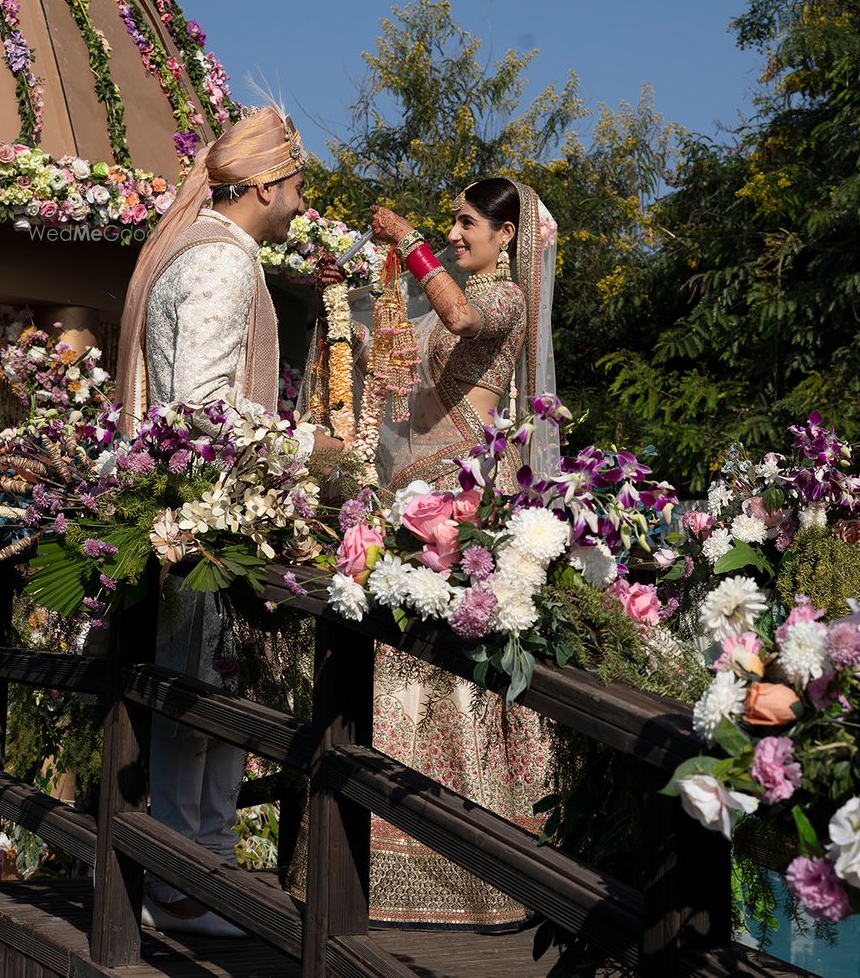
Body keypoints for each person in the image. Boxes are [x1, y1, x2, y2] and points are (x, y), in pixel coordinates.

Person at [114, 103, 343, 937]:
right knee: (199, 691)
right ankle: (181, 880)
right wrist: (304, 448)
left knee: (213, 684)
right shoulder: (218, 262)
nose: (301, 202)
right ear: (266, 185)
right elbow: (204, 408)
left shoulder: (212, 249)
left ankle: (199, 866)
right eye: (297, 185)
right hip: (207, 520)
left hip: (211, 514)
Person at [364, 177, 559, 927]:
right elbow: (409, 357)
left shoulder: (502, 298)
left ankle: (471, 866)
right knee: (401, 661)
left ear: (507, 237)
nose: (455, 233)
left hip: (462, 493)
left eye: (467, 223)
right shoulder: (456, 283)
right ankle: (379, 849)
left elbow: (459, 312)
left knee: (451, 667)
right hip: (419, 488)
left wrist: (408, 238)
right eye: (450, 222)